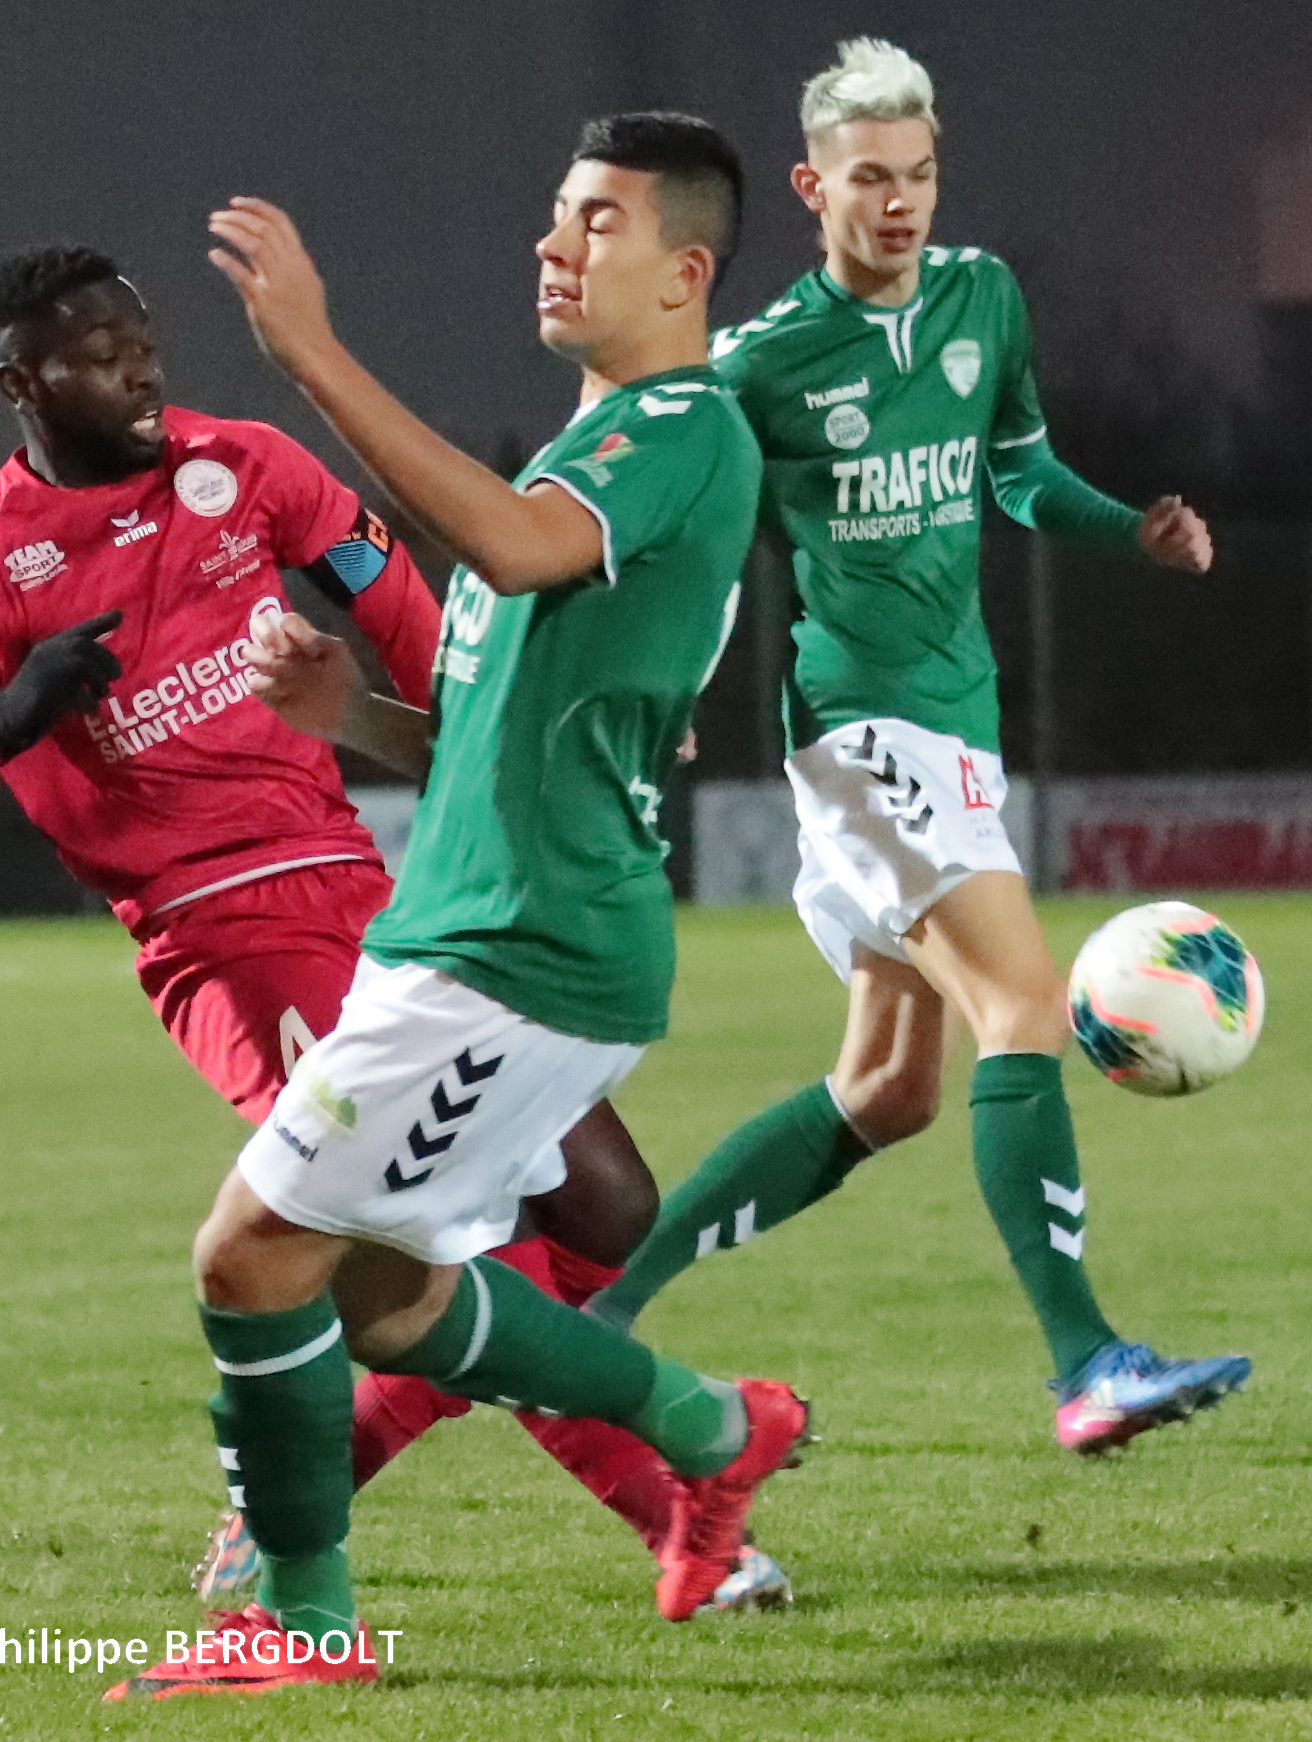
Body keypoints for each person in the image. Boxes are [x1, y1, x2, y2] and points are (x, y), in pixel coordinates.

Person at [0, 244, 789, 1620]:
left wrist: (554, 712)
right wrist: (3, 718)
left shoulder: (250, 466)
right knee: (447, 1252)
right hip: (223, 935)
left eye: (143, 342)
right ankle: (685, 1520)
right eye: (98, 358)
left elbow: (420, 626)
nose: (141, 372)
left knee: (605, 1210)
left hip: (383, 895)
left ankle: (311, 1472)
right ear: (21, 386)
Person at [105, 111, 805, 1703]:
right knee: (392, 1295)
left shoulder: (681, 427)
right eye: (558, 213)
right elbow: (497, 730)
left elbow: (506, 540)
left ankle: (302, 1619)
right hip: (475, 937)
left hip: (521, 953)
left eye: (601, 220)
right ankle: (715, 1427)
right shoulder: (589, 456)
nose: (555, 243)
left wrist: (311, 353)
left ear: (687, 272)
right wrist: (351, 714)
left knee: (249, 1255)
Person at [586, 40, 1252, 1454]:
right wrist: (658, 678)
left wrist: (1126, 531)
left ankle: (605, 1306)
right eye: (871, 179)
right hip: (857, 733)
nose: (900, 204)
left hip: (957, 730)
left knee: (889, 1088)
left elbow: (1016, 467)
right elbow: (683, 524)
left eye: (921, 175)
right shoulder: (759, 365)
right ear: (813, 188)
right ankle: (1088, 1362)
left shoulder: (982, 298)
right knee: (1023, 1003)